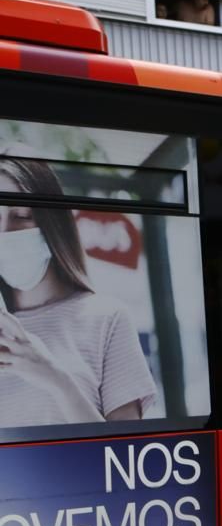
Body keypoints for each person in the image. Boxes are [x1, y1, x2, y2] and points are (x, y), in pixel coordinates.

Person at [0, 152, 156, 428]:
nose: (4, 232)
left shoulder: (107, 318)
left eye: (21, 216)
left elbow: (126, 453)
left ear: (52, 222)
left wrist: (54, 378)